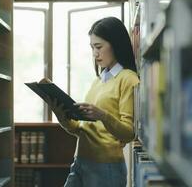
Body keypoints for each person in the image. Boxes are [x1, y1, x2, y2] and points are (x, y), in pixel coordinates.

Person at [49, 16, 139, 187]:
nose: (95, 53)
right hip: (80, 161)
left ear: (116, 44)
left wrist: (103, 115)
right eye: (92, 47)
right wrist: (62, 117)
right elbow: (82, 130)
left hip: (106, 167)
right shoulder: (98, 81)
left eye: (99, 47)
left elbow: (129, 133)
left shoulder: (128, 79)